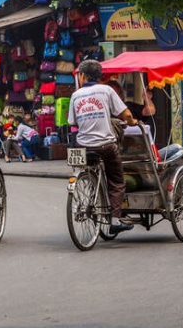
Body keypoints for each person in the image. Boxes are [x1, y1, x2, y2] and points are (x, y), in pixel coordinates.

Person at [68, 59, 139, 234]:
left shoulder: (76, 95)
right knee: (116, 180)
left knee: (90, 164)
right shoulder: (106, 90)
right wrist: (131, 122)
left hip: (82, 145)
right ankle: (115, 219)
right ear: (99, 77)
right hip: (105, 145)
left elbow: (72, 121)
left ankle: (91, 186)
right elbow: (126, 114)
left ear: (82, 76)